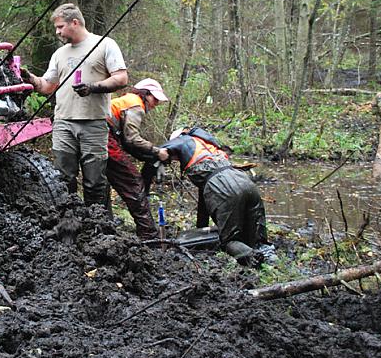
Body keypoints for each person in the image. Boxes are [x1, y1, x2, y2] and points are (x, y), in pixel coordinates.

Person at [21, 3, 129, 208]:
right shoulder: (59, 54)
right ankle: (69, 222)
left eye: (60, 27)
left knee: (95, 180)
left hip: (93, 122)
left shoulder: (105, 44)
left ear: (75, 22)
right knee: (63, 178)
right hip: (63, 122)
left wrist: (93, 87)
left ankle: (97, 225)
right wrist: (31, 79)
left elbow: (121, 78)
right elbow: (47, 86)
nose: (57, 31)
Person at [161, 127, 276, 266]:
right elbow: (203, 201)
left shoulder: (185, 142)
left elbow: (208, 194)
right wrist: (200, 229)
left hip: (224, 188)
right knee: (258, 238)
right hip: (246, 182)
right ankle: (272, 264)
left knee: (228, 241)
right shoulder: (209, 149)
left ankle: (254, 258)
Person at [106, 78, 170, 239]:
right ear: (145, 94)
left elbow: (128, 143)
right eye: (154, 99)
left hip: (100, 134)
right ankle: (148, 233)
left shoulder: (126, 100)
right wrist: (157, 151)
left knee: (100, 183)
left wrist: (148, 156)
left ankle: (105, 224)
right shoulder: (136, 105)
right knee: (132, 180)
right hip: (104, 136)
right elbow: (132, 139)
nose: (156, 104)